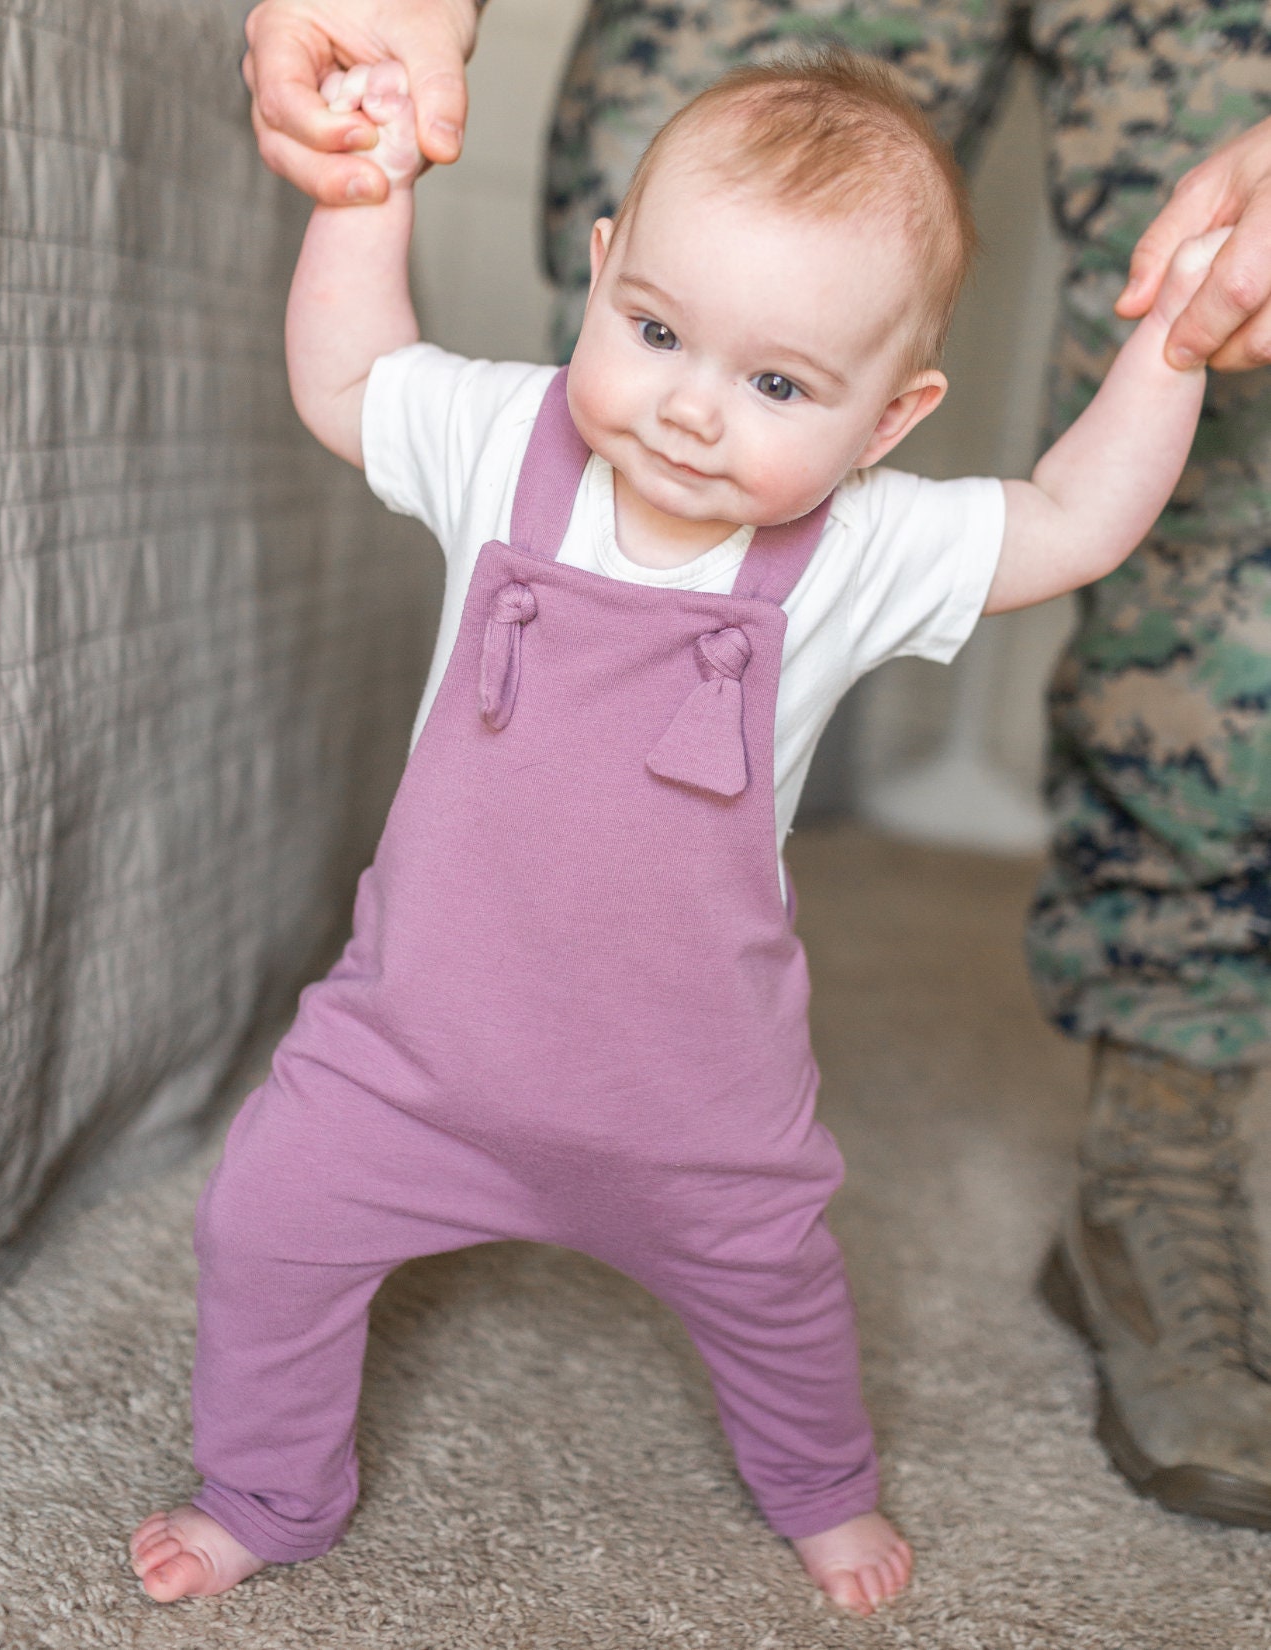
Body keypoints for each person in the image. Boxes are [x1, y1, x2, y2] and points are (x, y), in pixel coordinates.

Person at [130, 45, 1221, 1610]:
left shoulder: (858, 551)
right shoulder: (508, 446)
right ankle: (266, 1487)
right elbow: (351, 381)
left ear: (890, 418)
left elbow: (1065, 521)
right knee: (265, 1218)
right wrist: (365, 199)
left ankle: (820, 1486)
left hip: (694, 1098)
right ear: (602, 276)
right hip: (412, 1060)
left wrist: (1170, 355)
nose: (694, 410)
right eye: (653, 331)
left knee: (780, 1300)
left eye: (778, 384)